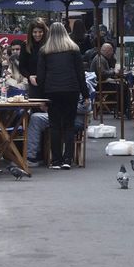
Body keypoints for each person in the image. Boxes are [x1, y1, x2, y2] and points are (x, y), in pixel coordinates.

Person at [36, 22, 89, 169]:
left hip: (52, 90)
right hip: (71, 89)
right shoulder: (74, 49)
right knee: (69, 125)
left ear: (50, 34)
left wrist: (42, 97)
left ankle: (56, 161)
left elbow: (41, 76)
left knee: (54, 125)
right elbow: (80, 74)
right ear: (66, 32)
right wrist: (85, 94)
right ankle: (68, 160)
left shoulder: (45, 51)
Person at [20, 18, 48, 98]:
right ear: (31, 33)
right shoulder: (25, 45)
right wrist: (29, 76)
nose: (37, 34)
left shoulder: (49, 44)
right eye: (35, 32)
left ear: (44, 32)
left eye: (40, 32)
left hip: (49, 83)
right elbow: (22, 66)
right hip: (33, 84)